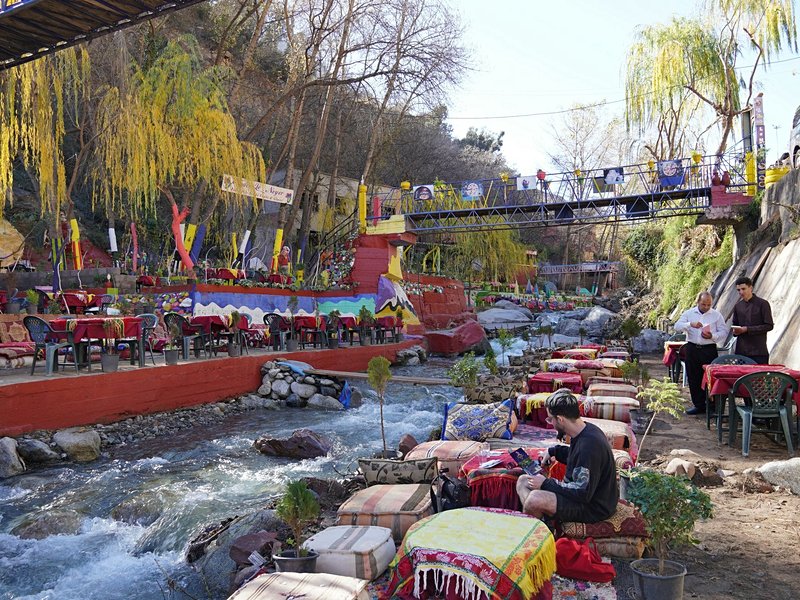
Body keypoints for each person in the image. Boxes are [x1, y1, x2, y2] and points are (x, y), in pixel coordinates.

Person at [515, 389, 618, 524]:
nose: (550, 423)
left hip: (593, 507)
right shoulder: (584, 430)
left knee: (534, 499)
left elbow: (582, 493)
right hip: (581, 494)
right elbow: (575, 456)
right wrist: (553, 451)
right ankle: (542, 522)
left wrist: (545, 483)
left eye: (550, 419)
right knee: (523, 481)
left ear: (560, 419)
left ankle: (536, 534)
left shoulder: (589, 446)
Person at [674, 291, 729, 415]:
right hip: (692, 348)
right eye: (703, 304)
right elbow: (677, 326)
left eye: (708, 304)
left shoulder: (716, 315)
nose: (706, 307)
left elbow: (724, 332)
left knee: (711, 378)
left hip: (708, 349)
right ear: (698, 302)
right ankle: (698, 405)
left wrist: (712, 336)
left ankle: (712, 406)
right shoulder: (689, 313)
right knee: (694, 377)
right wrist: (690, 325)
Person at [731, 276, 773, 364]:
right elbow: (735, 325)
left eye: (743, 289)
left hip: (759, 351)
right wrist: (735, 331)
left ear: (751, 288)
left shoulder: (763, 304)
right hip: (741, 352)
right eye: (738, 290)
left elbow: (769, 326)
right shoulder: (738, 306)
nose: (741, 292)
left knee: (760, 377)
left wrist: (747, 329)